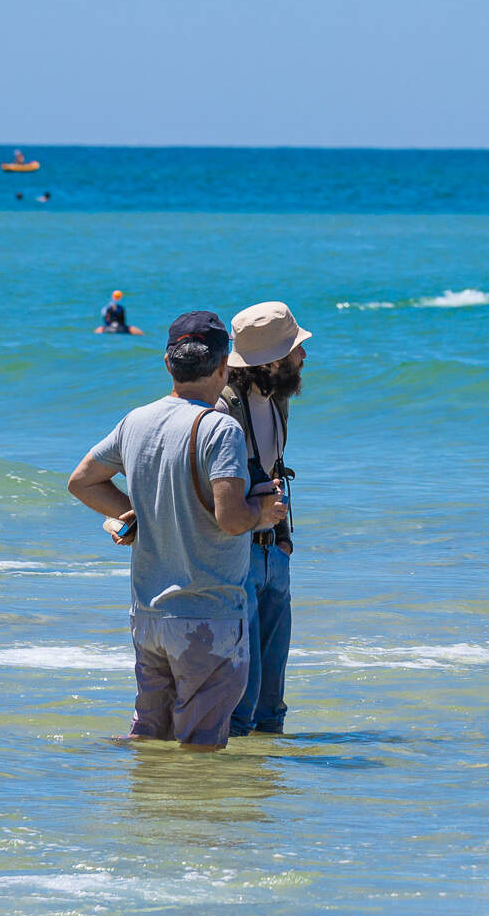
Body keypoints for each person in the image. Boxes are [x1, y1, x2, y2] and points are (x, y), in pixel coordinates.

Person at [67, 311, 288, 750]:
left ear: (168, 363)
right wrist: (262, 511)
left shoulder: (136, 420)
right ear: (223, 366)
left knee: (150, 736)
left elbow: (82, 482)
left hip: (148, 615)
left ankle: (141, 796)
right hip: (208, 614)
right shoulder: (220, 428)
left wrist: (138, 514)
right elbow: (231, 519)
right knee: (202, 747)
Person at [219, 301, 312, 737]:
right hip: (237, 554)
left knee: (271, 705)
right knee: (243, 698)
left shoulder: (277, 400)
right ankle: (233, 773)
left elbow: (273, 470)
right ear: (272, 361)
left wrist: (284, 539)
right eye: (295, 349)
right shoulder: (222, 408)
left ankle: (267, 768)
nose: (303, 355)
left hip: (274, 552)